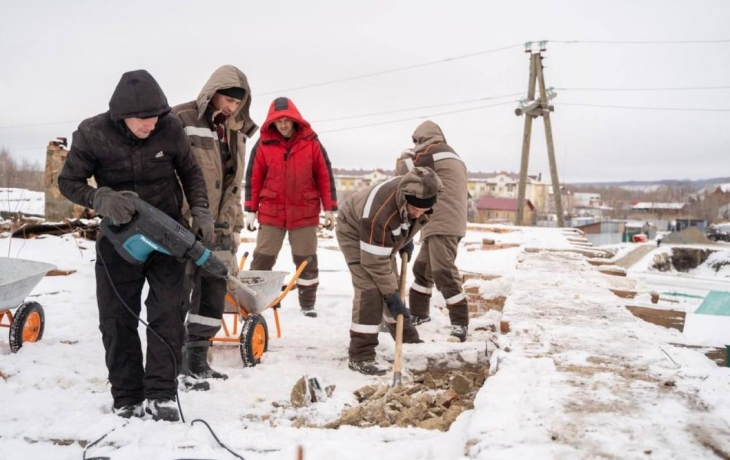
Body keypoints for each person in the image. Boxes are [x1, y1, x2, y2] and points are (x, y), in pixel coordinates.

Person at [58, 70, 213, 422]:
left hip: (168, 237)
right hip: (120, 239)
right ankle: (127, 394)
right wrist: (99, 197)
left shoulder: (170, 128)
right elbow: (68, 181)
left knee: (169, 314)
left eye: (156, 117)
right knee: (116, 317)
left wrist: (201, 210)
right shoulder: (92, 133)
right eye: (143, 119)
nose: (151, 124)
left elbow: (191, 172)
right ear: (120, 116)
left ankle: (161, 394)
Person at [171, 65, 258, 382]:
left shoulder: (237, 132)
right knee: (178, 288)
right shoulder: (181, 118)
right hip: (184, 220)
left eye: (238, 103)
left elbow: (235, 185)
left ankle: (197, 358)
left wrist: (233, 229)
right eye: (227, 99)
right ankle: (171, 358)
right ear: (212, 92)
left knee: (213, 289)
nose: (231, 107)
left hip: (220, 225)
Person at [336, 167, 443, 375]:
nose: (419, 214)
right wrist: (390, 295)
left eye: (424, 211)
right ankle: (361, 354)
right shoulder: (379, 213)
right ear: (406, 199)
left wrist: (405, 238)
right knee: (371, 290)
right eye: (415, 209)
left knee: (390, 284)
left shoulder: (423, 195)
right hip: (354, 229)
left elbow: (408, 217)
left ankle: (407, 338)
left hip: (381, 234)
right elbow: (374, 262)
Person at [244, 97, 337, 317]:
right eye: (279, 121)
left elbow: (324, 175)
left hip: (304, 211)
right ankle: (259, 301)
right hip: (271, 211)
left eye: (287, 120)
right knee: (263, 257)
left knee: (306, 259)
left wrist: (330, 208)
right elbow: (254, 177)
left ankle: (307, 304)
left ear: (295, 120)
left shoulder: (312, 142)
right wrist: (250, 209)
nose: (284, 125)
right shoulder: (263, 144)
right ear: (272, 122)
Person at [395, 120, 470, 342]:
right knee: (423, 268)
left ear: (422, 140)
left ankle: (460, 323)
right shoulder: (452, 155)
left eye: (416, 141)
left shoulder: (431, 153)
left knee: (443, 271)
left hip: (442, 221)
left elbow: (405, 177)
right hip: (446, 220)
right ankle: (419, 314)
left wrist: (404, 157)